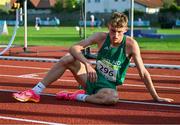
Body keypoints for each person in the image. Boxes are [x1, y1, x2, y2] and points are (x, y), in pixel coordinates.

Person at [13, 12, 173, 105]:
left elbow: (143, 72)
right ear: (108, 28)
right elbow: (74, 48)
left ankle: (78, 96)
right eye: (112, 31)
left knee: (112, 99)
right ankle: (35, 92)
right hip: (91, 77)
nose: (115, 35)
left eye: (119, 31)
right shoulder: (100, 37)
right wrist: (88, 64)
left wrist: (156, 97)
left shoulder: (131, 45)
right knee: (68, 58)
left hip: (107, 86)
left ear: (125, 30)